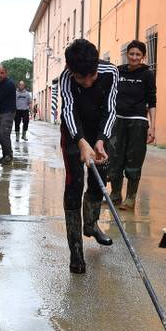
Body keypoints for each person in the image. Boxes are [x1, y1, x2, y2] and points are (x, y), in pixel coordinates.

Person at [59, 39, 118, 273]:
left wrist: (100, 140)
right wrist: (81, 141)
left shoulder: (110, 72)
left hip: (100, 131)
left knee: (99, 181)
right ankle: (75, 250)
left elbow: (111, 109)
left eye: (91, 76)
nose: (87, 82)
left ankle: (91, 224)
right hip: (74, 132)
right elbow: (68, 110)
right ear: (71, 70)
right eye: (80, 78)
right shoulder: (65, 78)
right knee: (74, 185)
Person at [110, 40, 156, 211]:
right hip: (117, 120)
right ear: (127, 54)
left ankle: (130, 199)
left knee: (134, 159)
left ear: (143, 56)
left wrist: (152, 126)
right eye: (131, 54)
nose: (134, 57)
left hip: (138, 121)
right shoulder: (118, 71)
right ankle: (115, 196)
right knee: (114, 157)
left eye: (138, 54)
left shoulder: (147, 74)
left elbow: (152, 101)